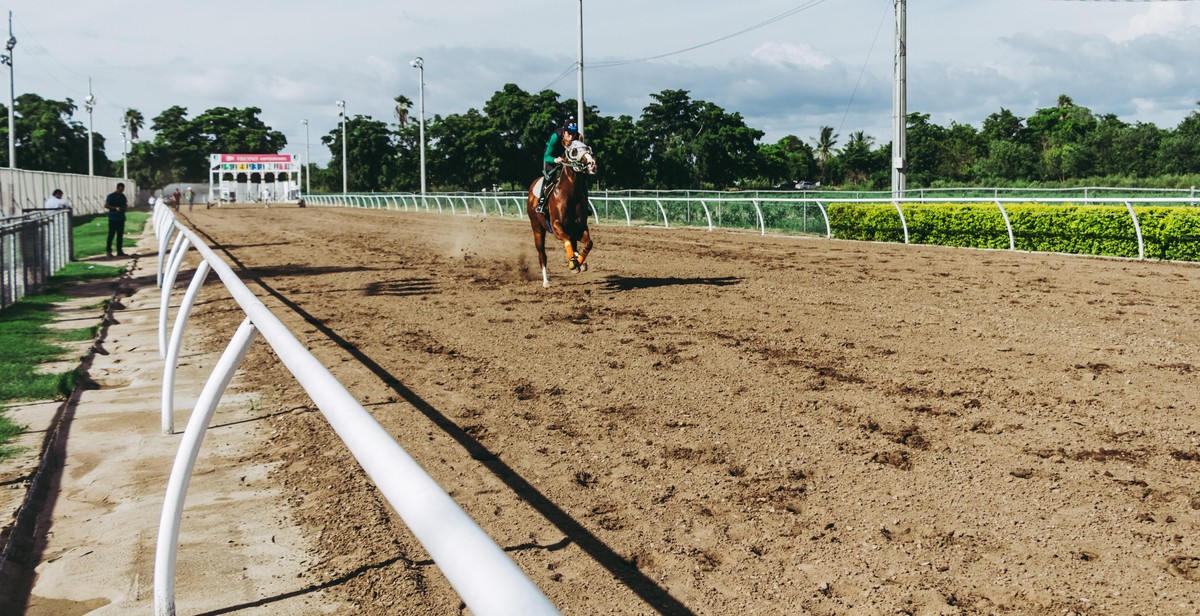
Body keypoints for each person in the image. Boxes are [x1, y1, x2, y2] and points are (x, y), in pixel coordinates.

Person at [535, 119, 580, 215]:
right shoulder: (555, 136)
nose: (571, 137)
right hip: (552, 158)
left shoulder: (579, 137)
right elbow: (546, 156)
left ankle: (584, 203)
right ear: (564, 131)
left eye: (574, 133)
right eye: (569, 133)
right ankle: (541, 202)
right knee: (550, 176)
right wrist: (555, 160)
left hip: (568, 160)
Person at [104, 182, 129, 257]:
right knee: (111, 235)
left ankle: (119, 251)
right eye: (120, 189)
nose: (121, 191)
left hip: (121, 218)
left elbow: (125, 204)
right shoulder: (111, 196)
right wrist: (115, 208)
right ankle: (108, 251)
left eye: (122, 190)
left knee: (120, 236)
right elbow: (106, 205)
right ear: (117, 188)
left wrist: (124, 208)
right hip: (113, 218)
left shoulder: (123, 196)